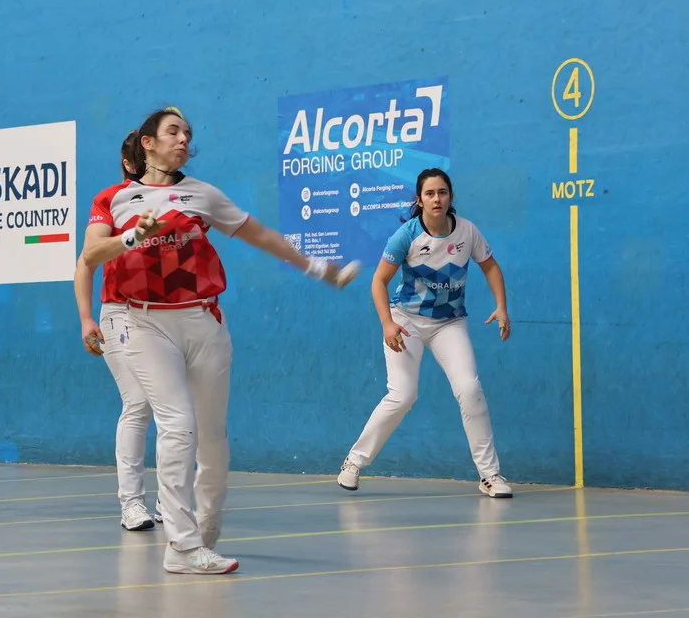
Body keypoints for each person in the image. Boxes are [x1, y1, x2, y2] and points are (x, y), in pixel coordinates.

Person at [81, 107, 361, 575]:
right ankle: (181, 546)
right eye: (173, 131)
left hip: (203, 321)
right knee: (177, 424)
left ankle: (204, 531)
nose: (183, 139)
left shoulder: (203, 194)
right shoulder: (117, 200)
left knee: (211, 436)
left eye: (188, 133)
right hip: (143, 323)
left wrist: (319, 269)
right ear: (147, 143)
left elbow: (262, 236)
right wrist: (133, 236)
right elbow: (91, 253)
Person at [336, 167, 513, 499]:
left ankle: (490, 475)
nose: (437, 199)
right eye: (430, 194)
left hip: (449, 323)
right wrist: (387, 323)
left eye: (442, 192)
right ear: (419, 200)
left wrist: (501, 306)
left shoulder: (468, 232)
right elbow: (379, 281)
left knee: (469, 389)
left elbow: (490, 266)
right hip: (407, 322)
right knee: (402, 396)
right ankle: (354, 462)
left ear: (450, 197)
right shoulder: (405, 236)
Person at [73, 134, 163, 531]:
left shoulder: (179, 197)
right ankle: (131, 504)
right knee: (139, 402)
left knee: (174, 408)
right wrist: (86, 318)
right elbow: (87, 261)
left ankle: (172, 503)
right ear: (130, 163)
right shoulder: (109, 200)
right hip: (120, 314)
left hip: (170, 317)